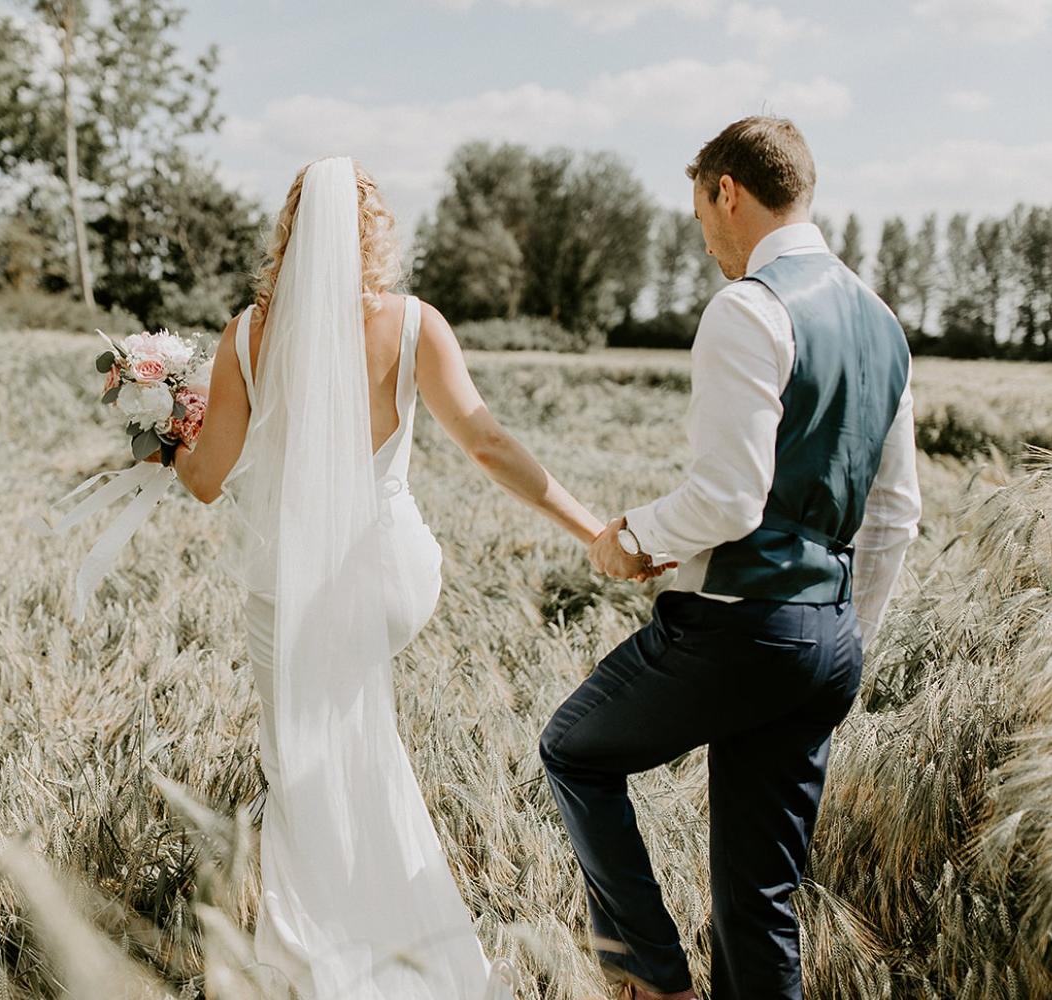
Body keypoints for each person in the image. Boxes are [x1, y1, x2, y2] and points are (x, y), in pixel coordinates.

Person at [170, 156, 656, 1000]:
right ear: (373, 236)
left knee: (305, 765)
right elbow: (488, 441)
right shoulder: (413, 324)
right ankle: (388, 935)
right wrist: (592, 528)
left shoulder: (246, 335)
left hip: (291, 590)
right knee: (361, 747)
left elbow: (209, 477)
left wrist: (165, 434)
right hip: (388, 579)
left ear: (289, 235)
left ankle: (313, 956)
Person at [541, 116, 922, 1000]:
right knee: (760, 906)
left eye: (701, 212)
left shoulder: (749, 307)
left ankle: (652, 978)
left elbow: (728, 499)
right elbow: (896, 515)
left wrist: (629, 538)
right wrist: (839, 635)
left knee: (574, 752)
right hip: (826, 641)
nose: (705, 239)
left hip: (737, 632)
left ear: (727, 190)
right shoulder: (885, 324)